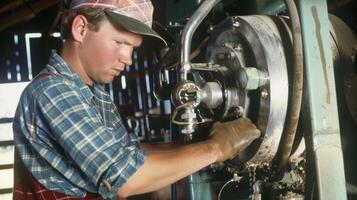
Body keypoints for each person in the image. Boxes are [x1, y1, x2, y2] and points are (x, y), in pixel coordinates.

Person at [12, 0, 261, 199]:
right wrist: (216, 148)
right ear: (81, 28)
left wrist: (205, 140)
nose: (128, 59)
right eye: (120, 43)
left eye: (132, 48)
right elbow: (126, 179)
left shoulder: (92, 91)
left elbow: (130, 153)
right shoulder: (52, 90)